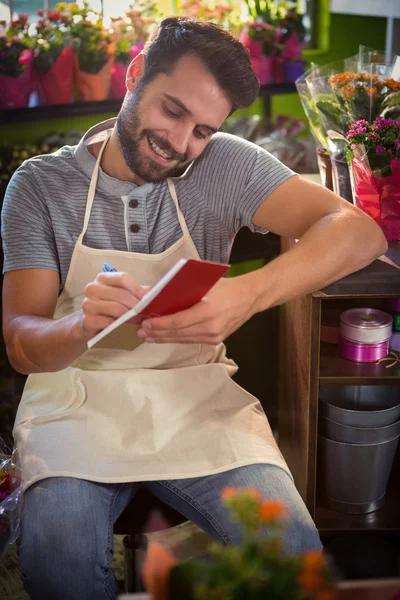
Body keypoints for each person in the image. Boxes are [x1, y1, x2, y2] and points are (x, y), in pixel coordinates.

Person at [1, 17, 386, 600]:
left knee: (292, 555)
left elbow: (359, 233)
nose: (181, 145)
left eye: (203, 129)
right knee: (59, 561)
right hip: (74, 404)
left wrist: (243, 294)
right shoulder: (40, 185)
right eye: (172, 112)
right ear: (135, 73)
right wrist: (79, 325)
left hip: (196, 399)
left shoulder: (224, 164)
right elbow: (22, 344)